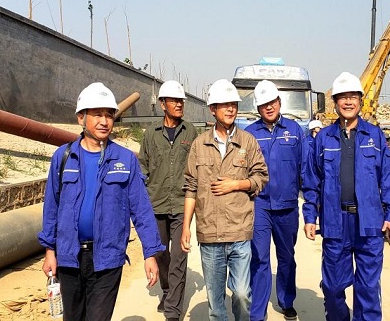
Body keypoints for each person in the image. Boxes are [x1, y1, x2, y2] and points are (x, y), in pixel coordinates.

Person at [39, 82, 164, 321]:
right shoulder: (63, 157)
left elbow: (141, 210)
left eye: (109, 115)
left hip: (107, 257)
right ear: (81, 118)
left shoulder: (125, 159)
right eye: (97, 114)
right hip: (69, 256)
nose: (105, 121)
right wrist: (49, 250)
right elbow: (51, 208)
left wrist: (150, 253)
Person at [302, 72, 390, 321]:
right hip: (336, 222)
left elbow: (388, 177)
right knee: (333, 286)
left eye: (353, 97)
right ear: (335, 103)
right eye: (342, 97)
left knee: (368, 289)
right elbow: (312, 181)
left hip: (369, 223)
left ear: (360, 101)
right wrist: (310, 216)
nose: (348, 102)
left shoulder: (374, 136)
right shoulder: (323, 138)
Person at [181, 78, 269, 321]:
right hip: (210, 233)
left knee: (241, 293)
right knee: (215, 302)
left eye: (233, 104)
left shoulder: (248, 142)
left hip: (239, 231)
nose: (230, 109)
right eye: (224, 104)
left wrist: (236, 184)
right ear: (212, 109)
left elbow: (261, 177)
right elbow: (190, 187)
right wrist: (186, 227)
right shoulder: (199, 145)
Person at [245, 80, 306, 321]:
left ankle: (286, 300)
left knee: (287, 257)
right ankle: (257, 311)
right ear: (258, 108)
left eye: (272, 102)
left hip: (287, 206)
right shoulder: (250, 133)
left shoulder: (295, 130)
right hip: (259, 205)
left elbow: (304, 168)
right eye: (263, 104)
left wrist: (311, 204)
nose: (269, 107)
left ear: (279, 102)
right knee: (259, 257)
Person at [138, 80, 198, 321]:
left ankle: (173, 310)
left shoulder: (190, 132)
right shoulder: (150, 134)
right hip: (156, 205)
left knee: (178, 258)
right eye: (174, 100)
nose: (179, 104)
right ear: (163, 104)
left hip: (182, 204)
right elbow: (142, 167)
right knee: (161, 254)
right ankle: (167, 290)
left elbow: (196, 167)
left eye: (181, 100)